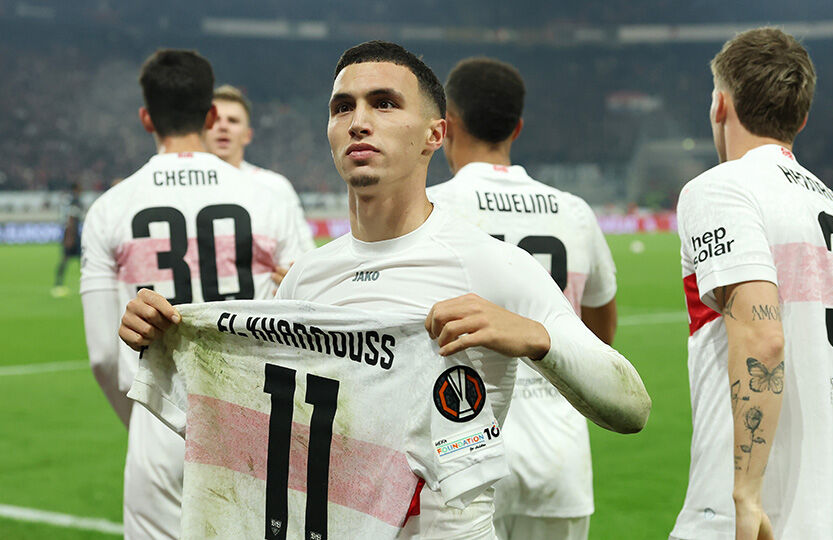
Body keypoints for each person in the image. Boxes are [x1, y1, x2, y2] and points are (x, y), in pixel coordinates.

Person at [120, 40, 651, 539]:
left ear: (435, 135)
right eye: (342, 107)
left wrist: (536, 337)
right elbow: (273, 431)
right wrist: (167, 334)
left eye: (385, 103)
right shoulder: (308, 279)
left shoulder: (495, 266)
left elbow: (632, 408)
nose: (359, 121)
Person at [670, 27, 833, 540]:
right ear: (802, 118)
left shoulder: (721, 189)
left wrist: (746, 495)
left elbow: (763, 339)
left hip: (760, 519)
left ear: (720, 105)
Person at [80, 49, 309, 539]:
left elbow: (102, 353)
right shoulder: (270, 199)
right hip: (254, 417)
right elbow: (307, 320)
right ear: (209, 116)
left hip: (160, 416)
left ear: (146, 118)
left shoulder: (110, 208)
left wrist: (146, 415)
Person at [427, 57, 616, 540]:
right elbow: (598, 342)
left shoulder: (429, 209)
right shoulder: (574, 212)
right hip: (558, 462)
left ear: (449, 123)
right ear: (517, 127)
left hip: (461, 454)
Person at [204, 84, 315, 257]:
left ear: (247, 135)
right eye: (215, 120)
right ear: (202, 131)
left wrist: (293, 269)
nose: (223, 126)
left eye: (233, 121)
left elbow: (306, 253)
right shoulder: (185, 184)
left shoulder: (275, 187)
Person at [51, 182, 84, 297]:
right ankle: (59, 284)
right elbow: (71, 219)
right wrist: (70, 237)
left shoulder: (68, 200)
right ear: (76, 189)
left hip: (70, 233)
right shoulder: (75, 201)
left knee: (67, 260)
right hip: (72, 234)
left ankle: (58, 284)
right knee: (80, 261)